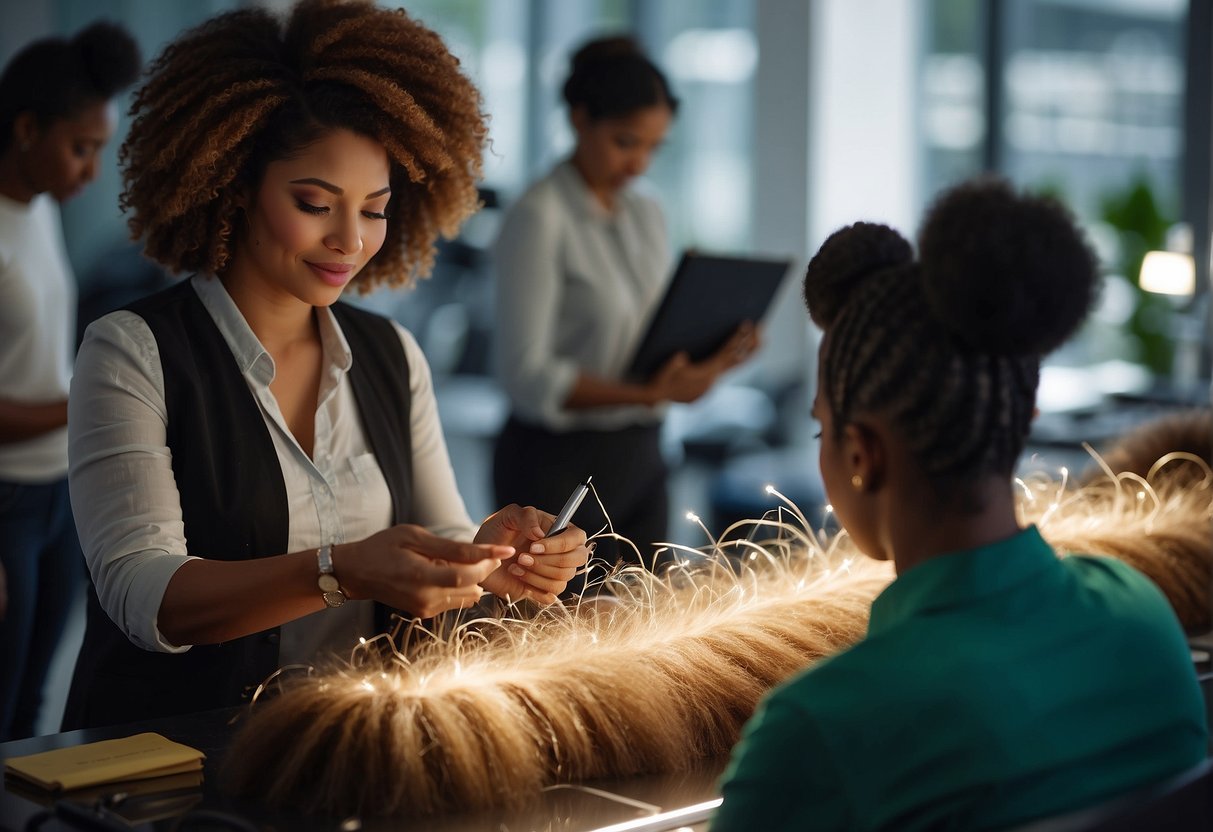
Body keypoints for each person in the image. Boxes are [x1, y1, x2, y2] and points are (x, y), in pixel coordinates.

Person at [62, 0, 589, 731]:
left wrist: (487, 558)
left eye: (374, 209)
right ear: (233, 185)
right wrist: (339, 569)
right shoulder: (132, 351)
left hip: (346, 755)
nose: (350, 239)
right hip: (173, 764)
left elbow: (439, 533)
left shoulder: (391, 355)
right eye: (315, 203)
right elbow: (144, 595)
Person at [711, 179, 1209, 831]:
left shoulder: (815, 730)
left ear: (861, 454)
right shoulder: (1141, 616)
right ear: (1020, 418)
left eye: (820, 428)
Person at [492, 36, 758, 573]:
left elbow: (652, 335)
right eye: (625, 141)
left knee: (645, 626)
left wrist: (711, 359)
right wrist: (650, 391)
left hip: (643, 453)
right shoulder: (538, 216)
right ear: (579, 119)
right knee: (567, 645)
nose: (638, 163)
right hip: (557, 465)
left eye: (653, 147)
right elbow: (526, 376)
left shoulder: (646, 212)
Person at [0, 21, 141, 741]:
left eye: (99, 150)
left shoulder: (40, 210)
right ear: (27, 128)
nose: (91, 170)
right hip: (7, 503)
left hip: (57, 495)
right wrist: (85, 396)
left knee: (33, 712)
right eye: (81, 148)